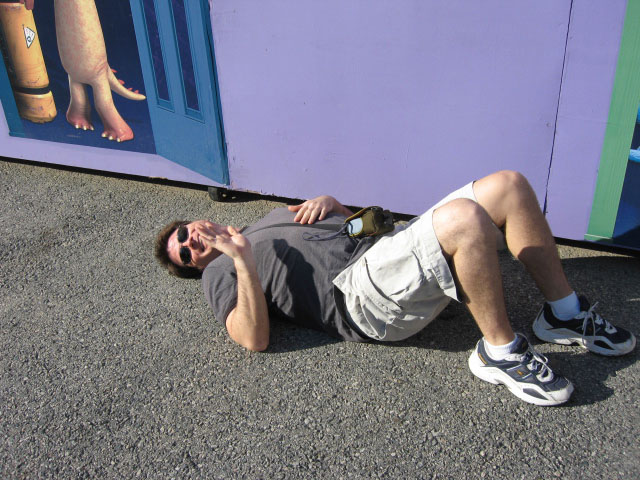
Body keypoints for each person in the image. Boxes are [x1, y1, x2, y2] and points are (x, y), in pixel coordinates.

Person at [155, 170, 636, 406]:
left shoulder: (267, 218)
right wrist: (240, 259)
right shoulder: (220, 274)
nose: (190, 243)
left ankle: (563, 313)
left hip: (383, 249)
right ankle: (499, 353)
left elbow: (362, 230)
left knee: (509, 185)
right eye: (185, 254)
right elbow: (251, 339)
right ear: (195, 268)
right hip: (358, 297)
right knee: (464, 220)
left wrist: (338, 208)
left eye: (184, 233)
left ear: (196, 221)